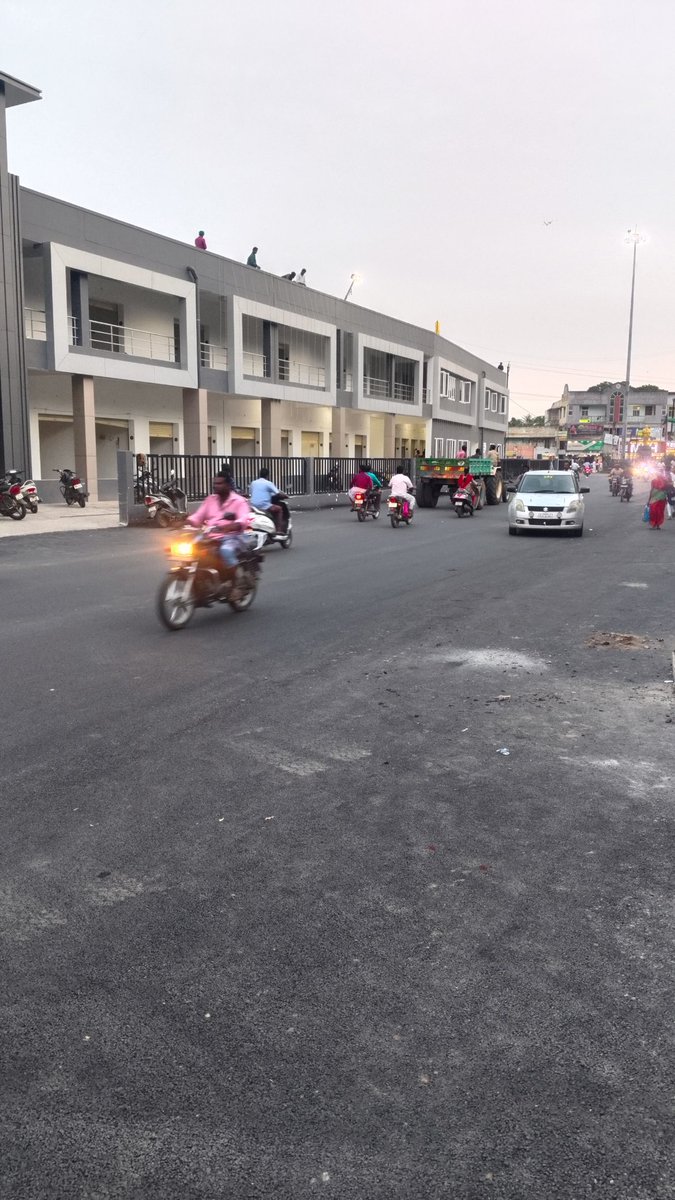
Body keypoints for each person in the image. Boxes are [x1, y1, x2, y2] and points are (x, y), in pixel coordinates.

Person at [186, 471, 251, 581]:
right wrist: (187, 521)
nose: (216, 486)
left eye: (220, 483)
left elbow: (244, 518)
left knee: (226, 551)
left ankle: (236, 583)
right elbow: (199, 516)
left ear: (228, 485)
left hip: (232, 536)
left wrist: (234, 525)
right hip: (210, 535)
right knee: (190, 548)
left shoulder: (239, 501)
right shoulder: (210, 500)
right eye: (215, 483)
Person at [249, 467, 288, 533]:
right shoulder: (268, 483)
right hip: (264, 506)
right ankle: (279, 530)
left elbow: (251, 493)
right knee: (279, 509)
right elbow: (278, 493)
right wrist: (285, 496)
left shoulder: (253, 483)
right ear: (267, 475)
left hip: (253, 506)